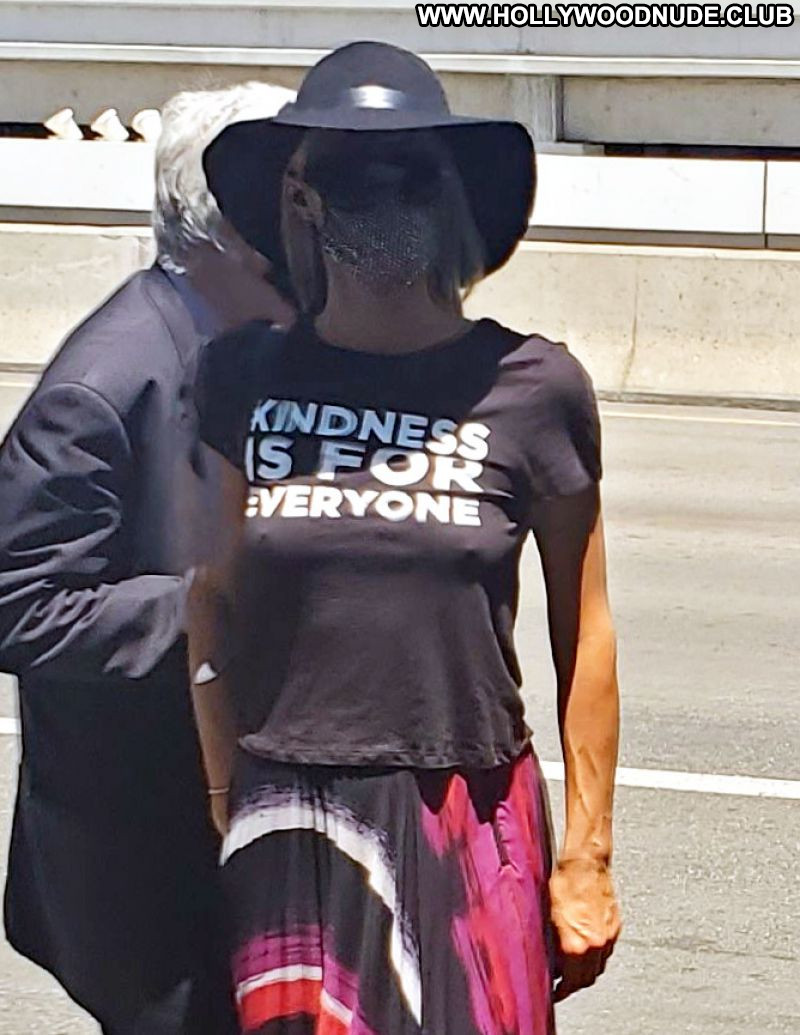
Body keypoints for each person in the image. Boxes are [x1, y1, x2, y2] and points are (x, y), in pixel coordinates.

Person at [191, 42, 621, 1035]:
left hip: (466, 815)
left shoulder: (533, 387)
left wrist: (587, 854)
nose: (377, 194)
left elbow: (587, 625)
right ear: (301, 200)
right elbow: (208, 593)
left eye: (408, 170)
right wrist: (221, 789)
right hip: (288, 814)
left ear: (450, 194)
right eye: (346, 173)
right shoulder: (241, 377)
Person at [0, 82, 295, 1035]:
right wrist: (217, 602)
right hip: (141, 863)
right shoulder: (105, 383)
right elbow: (23, 605)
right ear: (235, 227)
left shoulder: (254, 350)